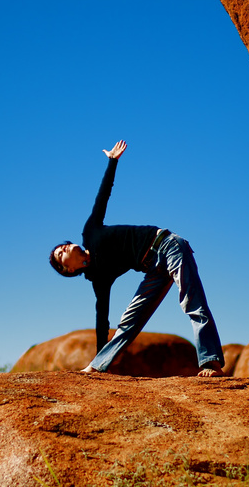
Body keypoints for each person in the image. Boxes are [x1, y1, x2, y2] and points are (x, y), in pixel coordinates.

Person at [49, 140, 225, 376]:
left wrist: (112, 162)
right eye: (61, 253)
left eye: (63, 245)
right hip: (153, 267)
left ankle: (210, 362)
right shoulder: (98, 277)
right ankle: (99, 366)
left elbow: (102, 198)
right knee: (129, 318)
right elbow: (102, 318)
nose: (65, 247)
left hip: (167, 245)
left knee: (191, 301)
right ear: (69, 270)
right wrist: (100, 354)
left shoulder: (90, 233)